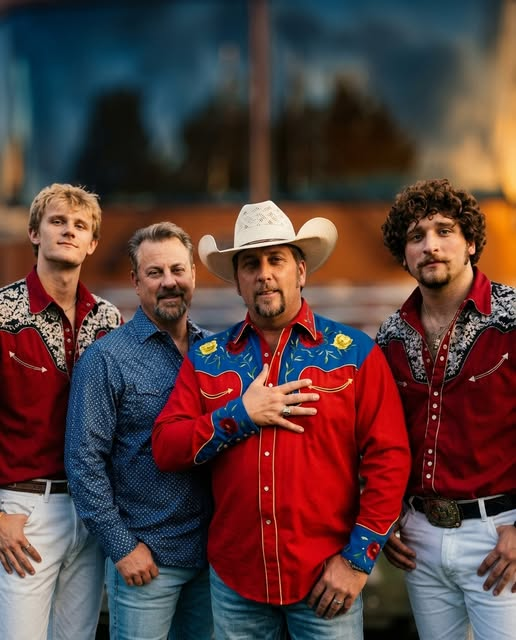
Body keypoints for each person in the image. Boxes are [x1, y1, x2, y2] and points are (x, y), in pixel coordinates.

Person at [152, 200, 411, 640]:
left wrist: (357, 561)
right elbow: (166, 447)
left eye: (276, 260)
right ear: (238, 281)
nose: (264, 274)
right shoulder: (207, 359)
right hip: (237, 582)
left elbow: (390, 459)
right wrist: (240, 415)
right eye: (250, 265)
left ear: (301, 271)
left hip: (328, 580)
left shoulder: (354, 353)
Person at [376, 178, 516, 640]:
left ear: (470, 242)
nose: (430, 246)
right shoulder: (390, 336)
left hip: (500, 537)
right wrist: (385, 517)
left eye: (444, 231)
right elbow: (381, 438)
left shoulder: (512, 318)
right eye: (416, 237)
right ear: (404, 255)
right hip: (420, 537)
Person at [64, 222, 214, 640]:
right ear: (135, 281)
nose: (169, 282)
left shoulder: (213, 354)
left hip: (212, 561)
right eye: (154, 272)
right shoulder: (106, 360)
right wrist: (122, 547)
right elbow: (83, 462)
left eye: (178, 270)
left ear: (193, 274)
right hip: (146, 563)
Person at [0, 183, 122, 640]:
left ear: (92, 243)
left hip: (91, 512)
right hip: (22, 510)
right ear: (35, 233)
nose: (69, 231)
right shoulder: (3, 313)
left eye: (80, 225)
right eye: (57, 221)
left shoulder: (109, 321)